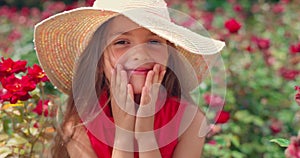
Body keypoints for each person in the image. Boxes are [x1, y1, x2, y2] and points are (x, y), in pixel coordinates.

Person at [34, 0, 225, 157]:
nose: (140, 54)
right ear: (99, 61)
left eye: (153, 41)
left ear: (169, 55)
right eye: (122, 42)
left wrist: (146, 136)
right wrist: (123, 136)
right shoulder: (80, 126)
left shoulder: (189, 121)